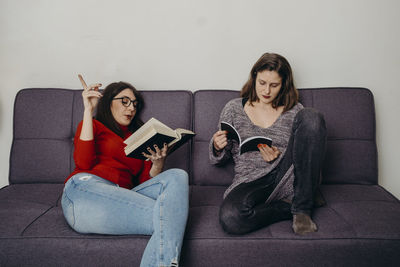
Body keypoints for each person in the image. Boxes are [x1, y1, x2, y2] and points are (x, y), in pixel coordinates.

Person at [61, 75, 189, 267]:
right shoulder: (94, 125)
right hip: (85, 192)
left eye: (134, 104)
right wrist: (88, 111)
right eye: (125, 101)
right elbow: (83, 162)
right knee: (171, 216)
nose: (131, 108)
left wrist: (158, 163)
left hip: (122, 198)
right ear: (108, 102)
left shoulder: (139, 138)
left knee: (178, 175)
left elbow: (145, 184)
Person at [210, 53, 327, 235]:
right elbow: (219, 159)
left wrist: (277, 154)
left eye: (274, 85)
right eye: (262, 83)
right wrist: (217, 146)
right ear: (254, 77)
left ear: (284, 84)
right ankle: (296, 203)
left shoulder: (295, 110)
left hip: (287, 176)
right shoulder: (233, 108)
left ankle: (302, 210)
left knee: (312, 117)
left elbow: (306, 153)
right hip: (251, 181)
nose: (266, 91)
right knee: (231, 218)